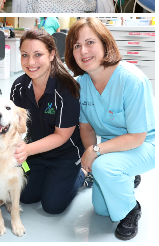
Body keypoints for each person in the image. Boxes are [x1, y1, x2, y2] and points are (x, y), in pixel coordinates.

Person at [65, 18, 154, 241]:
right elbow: (85, 128)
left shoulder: (132, 80)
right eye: (76, 46)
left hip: (144, 145)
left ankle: (132, 209)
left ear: (105, 44)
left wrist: (96, 151)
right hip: (111, 148)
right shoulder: (82, 83)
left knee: (105, 169)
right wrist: (91, 153)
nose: (83, 51)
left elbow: (137, 136)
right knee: (101, 209)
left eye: (90, 42)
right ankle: (122, 174)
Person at [10, 29, 85, 215]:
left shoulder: (66, 88)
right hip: (36, 152)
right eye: (25, 55)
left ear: (52, 54)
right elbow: (15, 126)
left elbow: (61, 136)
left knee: (52, 206)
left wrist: (26, 150)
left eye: (38, 55)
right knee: (25, 197)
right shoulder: (19, 87)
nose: (30, 62)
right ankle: (49, 178)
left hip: (65, 154)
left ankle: (83, 174)